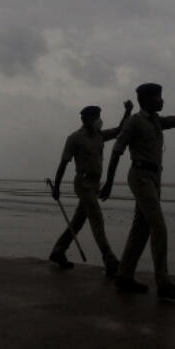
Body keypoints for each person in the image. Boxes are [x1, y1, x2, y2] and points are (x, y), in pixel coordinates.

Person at [101, 79, 175, 300]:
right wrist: (108, 183)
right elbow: (117, 151)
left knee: (141, 229)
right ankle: (163, 283)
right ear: (147, 100)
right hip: (140, 176)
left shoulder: (156, 121)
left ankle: (124, 276)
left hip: (154, 178)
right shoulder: (135, 122)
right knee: (159, 227)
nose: (162, 100)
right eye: (158, 96)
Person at [47, 100, 133, 276]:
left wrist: (127, 111)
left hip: (94, 185)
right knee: (97, 219)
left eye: (99, 117)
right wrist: (56, 187)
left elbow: (119, 130)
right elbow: (63, 163)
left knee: (78, 222)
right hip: (83, 184)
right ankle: (109, 260)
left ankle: (58, 251)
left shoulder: (99, 135)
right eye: (95, 117)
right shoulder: (74, 138)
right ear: (85, 119)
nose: (99, 120)